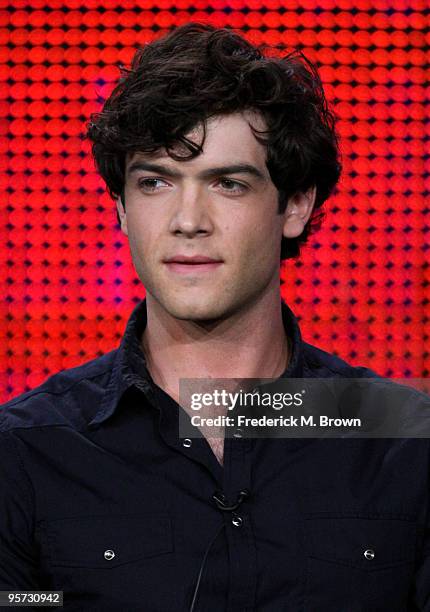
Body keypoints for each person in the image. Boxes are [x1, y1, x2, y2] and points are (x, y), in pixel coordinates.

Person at [1, 22, 429, 612]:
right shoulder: (27, 450)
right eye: (155, 182)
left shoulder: (402, 440)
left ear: (295, 205)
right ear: (123, 208)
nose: (187, 220)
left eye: (227, 183)